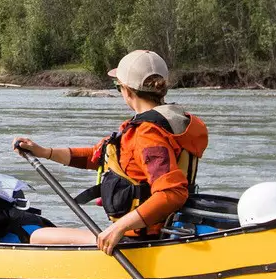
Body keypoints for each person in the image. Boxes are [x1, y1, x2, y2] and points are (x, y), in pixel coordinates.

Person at [11, 49, 208, 253]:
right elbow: (97, 156)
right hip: (159, 232)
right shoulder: (173, 123)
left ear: (127, 91)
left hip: (139, 240)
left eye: (118, 87)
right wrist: (44, 152)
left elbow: (172, 193)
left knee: (35, 235)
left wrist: (119, 227)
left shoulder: (148, 134)